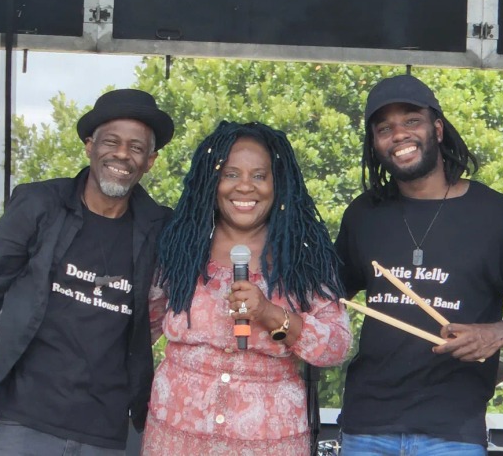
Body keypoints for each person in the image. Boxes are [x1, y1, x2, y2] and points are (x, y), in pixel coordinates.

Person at [0, 88, 175, 454]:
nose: (122, 154)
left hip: (104, 428)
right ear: (89, 146)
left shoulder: (161, 229)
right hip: (26, 418)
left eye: (136, 147)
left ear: (150, 161)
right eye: (111, 142)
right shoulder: (38, 206)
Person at [334, 73, 503, 455]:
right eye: (384, 128)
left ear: (437, 129)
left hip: (453, 432)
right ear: (374, 144)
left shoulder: (498, 216)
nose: (399, 134)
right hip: (366, 426)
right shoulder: (363, 215)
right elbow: (324, 296)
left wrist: (498, 333)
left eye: (412, 121)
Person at [142, 121, 351, 456]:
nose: (244, 186)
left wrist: (271, 315)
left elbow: (336, 346)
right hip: (176, 436)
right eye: (230, 174)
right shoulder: (181, 249)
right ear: (212, 182)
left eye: (259, 176)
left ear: (277, 183)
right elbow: (142, 328)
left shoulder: (303, 258)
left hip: (269, 440)